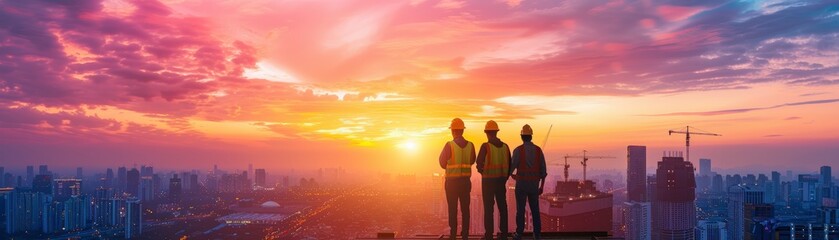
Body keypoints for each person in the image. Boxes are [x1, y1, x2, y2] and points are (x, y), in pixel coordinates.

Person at [439, 118, 476, 240]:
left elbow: (442, 163)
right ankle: (465, 234)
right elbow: (472, 161)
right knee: (465, 209)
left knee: (452, 209)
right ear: (462, 131)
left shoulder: (449, 145)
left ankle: (453, 234)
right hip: (465, 182)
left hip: (452, 183)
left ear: (453, 131)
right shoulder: (470, 145)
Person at [476, 120, 511, 240]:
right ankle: (504, 234)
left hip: (488, 182)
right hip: (501, 181)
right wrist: (504, 177)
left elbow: (478, 164)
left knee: (488, 208)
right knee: (503, 207)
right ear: (496, 132)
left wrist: (484, 172)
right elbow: (509, 166)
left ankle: (489, 235)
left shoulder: (485, 146)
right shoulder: (505, 147)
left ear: (487, 133)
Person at [510, 124, 547, 240]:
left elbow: (510, 168)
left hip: (521, 185)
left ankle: (519, 234)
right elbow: (543, 171)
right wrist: (542, 187)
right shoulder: (538, 151)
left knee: (520, 210)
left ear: (522, 136)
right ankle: (537, 234)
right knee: (535, 210)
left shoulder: (518, 150)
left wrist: (513, 175)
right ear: (531, 136)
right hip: (534, 186)